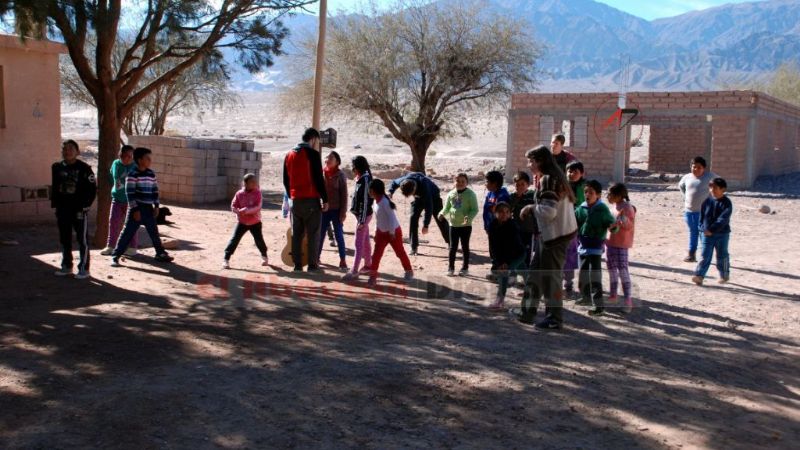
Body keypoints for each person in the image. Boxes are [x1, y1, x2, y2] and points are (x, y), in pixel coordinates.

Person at [516, 146, 578, 330]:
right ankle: (527, 312)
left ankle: (554, 318)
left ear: (540, 161)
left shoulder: (548, 180)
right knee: (535, 274)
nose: (529, 165)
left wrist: (530, 208)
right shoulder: (551, 178)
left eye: (531, 161)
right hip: (552, 235)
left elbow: (549, 212)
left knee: (551, 278)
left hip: (556, 237)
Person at [110, 147, 174, 267]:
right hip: (137, 209)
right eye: (147, 158)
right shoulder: (132, 174)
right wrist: (135, 209)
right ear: (139, 160)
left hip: (148, 209)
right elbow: (130, 193)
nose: (150, 160)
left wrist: (156, 206)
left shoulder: (151, 174)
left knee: (154, 232)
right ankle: (115, 255)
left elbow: (155, 190)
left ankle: (160, 253)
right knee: (127, 233)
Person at [283, 128, 329, 272]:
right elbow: (318, 179)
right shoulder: (313, 154)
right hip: (311, 199)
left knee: (297, 233)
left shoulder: (288, 155)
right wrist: (325, 199)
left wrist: (291, 197)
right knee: (313, 233)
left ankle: (297, 265)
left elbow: (285, 180)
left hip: (295, 200)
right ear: (313, 139)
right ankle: (312, 265)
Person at [51, 139, 97, 279]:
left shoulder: (85, 168)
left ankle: (84, 268)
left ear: (77, 151)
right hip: (63, 209)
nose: (67, 151)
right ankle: (66, 266)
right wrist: (56, 205)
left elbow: (92, 189)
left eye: (71, 148)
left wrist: (86, 205)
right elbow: (55, 187)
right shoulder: (57, 167)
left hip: (79, 210)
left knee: (82, 239)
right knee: (64, 238)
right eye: (64, 148)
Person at [575, 180, 616, 316]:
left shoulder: (602, 209)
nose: (587, 194)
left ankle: (599, 306)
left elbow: (611, 224)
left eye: (591, 192)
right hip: (583, 246)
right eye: (586, 192)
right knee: (583, 274)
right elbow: (575, 222)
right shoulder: (581, 208)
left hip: (595, 248)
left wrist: (614, 227)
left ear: (598, 195)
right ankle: (586, 297)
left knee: (595, 277)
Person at [388, 172, 449, 255]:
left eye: (411, 193)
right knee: (413, 218)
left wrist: (426, 225)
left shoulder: (424, 186)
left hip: (434, 198)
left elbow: (429, 207)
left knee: (440, 218)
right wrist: (390, 192)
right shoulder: (403, 180)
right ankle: (414, 247)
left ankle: (451, 242)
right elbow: (394, 182)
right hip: (419, 199)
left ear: (414, 188)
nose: (411, 195)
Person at [368, 179, 414, 287]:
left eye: (370, 190)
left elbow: (392, 218)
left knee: (400, 252)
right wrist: (375, 231)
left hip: (393, 233)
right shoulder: (375, 202)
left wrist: (392, 232)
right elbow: (378, 218)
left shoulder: (384, 202)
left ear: (374, 190)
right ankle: (373, 276)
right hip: (381, 233)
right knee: (376, 256)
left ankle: (409, 271)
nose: (368, 192)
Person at [222, 173, 268, 269]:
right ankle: (226, 259)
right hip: (242, 222)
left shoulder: (258, 193)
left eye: (255, 181)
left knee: (259, 240)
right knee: (234, 239)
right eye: (252, 182)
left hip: (255, 222)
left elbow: (258, 207)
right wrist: (237, 211)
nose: (255, 183)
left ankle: (264, 256)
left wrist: (246, 210)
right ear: (245, 183)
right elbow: (233, 205)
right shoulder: (239, 193)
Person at [692, 177, 732, 286]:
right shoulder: (707, 201)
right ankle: (699, 275)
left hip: (722, 234)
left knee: (722, 255)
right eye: (710, 187)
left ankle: (724, 275)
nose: (712, 190)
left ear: (723, 189)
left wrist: (712, 229)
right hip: (706, 234)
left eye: (715, 188)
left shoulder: (726, 203)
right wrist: (702, 229)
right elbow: (702, 217)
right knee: (705, 255)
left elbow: (723, 219)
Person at [438, 173, 479, 276]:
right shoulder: (451, 194)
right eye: (458, 181)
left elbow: (475, 209)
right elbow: (446, 208)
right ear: (454, 182)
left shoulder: (471, 194)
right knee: (453, 247)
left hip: (465, 226)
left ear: (467, 183)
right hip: (453, 225)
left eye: (463, 181)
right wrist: (442, 213)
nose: (460, 183)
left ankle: (465, 268)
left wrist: (468, 218)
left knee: (465, 247)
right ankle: (450, 268)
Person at [487, 202, 526, 309]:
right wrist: (497, 261)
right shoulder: (492, 225)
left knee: (504, 272)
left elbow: (512, 246)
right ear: (495, 213)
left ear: (510, 214)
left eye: (507, 212)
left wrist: (506, 262)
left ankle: (500, 300)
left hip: (518, 254)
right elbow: (493, 246)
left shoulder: (512, 226)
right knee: (523, 270)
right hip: (504, 256)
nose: (504, 214)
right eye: (501, 212)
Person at [101, 145, 138, 256]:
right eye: (123, 155)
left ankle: (132, 247)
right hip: (117, 198)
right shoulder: (115, 164)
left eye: (129, 156)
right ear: (119, 154)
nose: (125, 158)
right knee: (113, 221)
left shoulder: (136, 167)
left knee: (131, 224)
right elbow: (112, 178)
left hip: (131, 202)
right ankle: (111, 246)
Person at [678, 156, 716, 263]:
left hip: (704, 213)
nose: (696, 169)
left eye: (699, 167)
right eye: (694, 167)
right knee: (692, 232)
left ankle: (705, 256)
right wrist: (686, 197)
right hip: (689, 212)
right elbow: (681, 186)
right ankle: (691, 254)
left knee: (704, 234)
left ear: (704, 168)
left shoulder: (710, 177)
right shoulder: (687, 177)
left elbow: (720, 185)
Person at [343, 156, 374, 281]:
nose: (352, 169)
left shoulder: (365, 179)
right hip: (361, 216)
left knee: (358, 243)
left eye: (354, 166)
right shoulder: (361, 178)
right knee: (365, 241)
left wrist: (361, 220)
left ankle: (354, 270)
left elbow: (366, 201)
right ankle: (368, 265)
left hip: (364, 216)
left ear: (358, 167)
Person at [606, 182, 636, 314]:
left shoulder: (627, 208)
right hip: (610, 243)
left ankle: (628, 300)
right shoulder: (614, 206)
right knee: (612, 270)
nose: (607, 196)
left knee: (623, 270)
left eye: (610, 194)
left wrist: (622, 218)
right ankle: (613, 295)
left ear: (618, 195)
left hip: (621, 244)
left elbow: (629, 225)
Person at [318, 150, 348, 271]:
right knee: (320, 235)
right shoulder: (322, 173)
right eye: (326, 157)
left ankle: (343, 260)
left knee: (339, 235)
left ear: (337, 162)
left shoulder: (340, 176)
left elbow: (344, 195)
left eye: (331, 158)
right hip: (323, 210)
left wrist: (343, 212)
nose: (327, 160)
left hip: (336, 210)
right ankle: (316, 257)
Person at [563, 160, 586, 296]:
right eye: (569, 171)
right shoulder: (563, 185)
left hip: (574, 227)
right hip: (562, 225)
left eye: (575, 172)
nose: (571, 174)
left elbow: (582, 206)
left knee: (570, 254)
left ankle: (569, 283)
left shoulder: (583, 187)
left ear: (582, 174)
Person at [483, 170, 510, 277]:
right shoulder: (490, 193)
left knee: (500, 251)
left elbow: (500, 211)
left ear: (494, 183)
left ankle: (500, 273)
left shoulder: (503, 195)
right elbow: (486, 209)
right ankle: (495, 271)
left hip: (500, 228)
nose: (485, 184)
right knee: (493, 250)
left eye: (487, 181)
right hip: (491, 228)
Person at [508, 171, 537, 271]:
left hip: (529, 231)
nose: (519, 187)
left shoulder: (532, 195)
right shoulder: (512, 196)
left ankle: (525, 273)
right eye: (517, 184)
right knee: (515, 251)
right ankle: (514, 272)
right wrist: (517, 197)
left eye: (522, 184)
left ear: (528, 185)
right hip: (516, 230)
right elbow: (509, 209)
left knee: (527, 252)